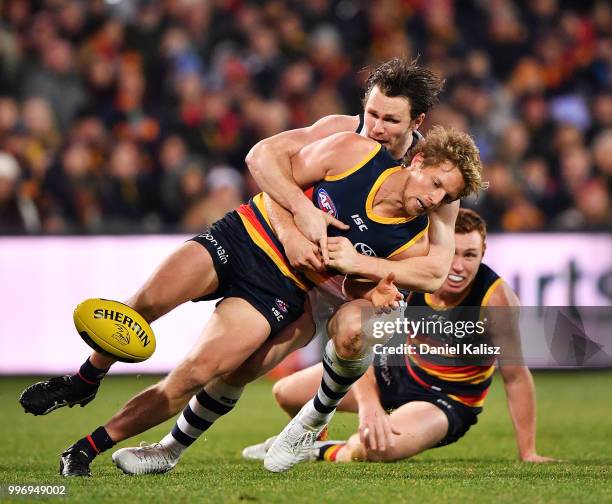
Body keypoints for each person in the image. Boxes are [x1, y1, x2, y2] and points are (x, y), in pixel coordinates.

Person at [21, 122, 482, 477]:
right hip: (243, 234)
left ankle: (86, 448)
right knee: (141, 305)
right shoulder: (353, 152)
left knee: (197, 373)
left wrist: (367, 271)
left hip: (279, 288)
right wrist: (298, 219)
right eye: (436, 183)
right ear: (417, 160)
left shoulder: (413, 238)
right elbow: (271, 173)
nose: (436, 198)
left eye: (448, 195)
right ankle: (85, 379)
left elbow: (411, 278)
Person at [242, 209, 558, 465]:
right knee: (286, 392)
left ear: (484, 253)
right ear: (439, 251)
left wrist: (528, 452)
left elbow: (516, 378)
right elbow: (360, 343)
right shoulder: (412, 276)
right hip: (396, 371)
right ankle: (306, 441)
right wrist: (369, 406)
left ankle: (321, 451)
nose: (458, 267)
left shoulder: (496, 299)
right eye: (453, 254)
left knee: (376, 448)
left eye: (470, 255)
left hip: (445, 399)